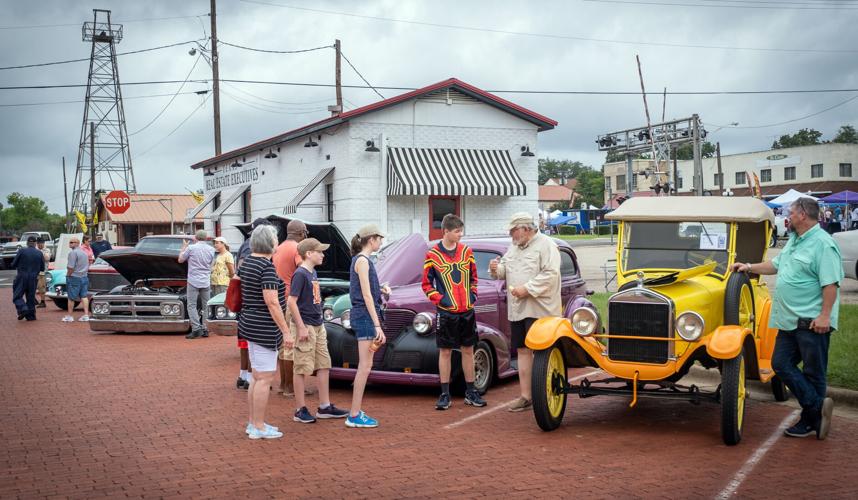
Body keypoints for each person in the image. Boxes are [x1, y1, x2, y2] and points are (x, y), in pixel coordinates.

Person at [732, 197, 842, 440]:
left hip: (812, 322)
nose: (788, 217)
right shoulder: (794, 240)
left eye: (791, 213)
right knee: (780, 364)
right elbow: (775, 265)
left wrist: (824, 316)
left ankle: (809, 418)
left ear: (803, 215)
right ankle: (817, 408)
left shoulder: (823, 244)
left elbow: (831, 284)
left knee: (814, 373)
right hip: (788, 321)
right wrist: (748, 266)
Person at [490, 212, 561, 413]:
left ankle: (545, 395)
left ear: (526, 229)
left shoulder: (546, 244)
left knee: (542, 352)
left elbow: (551, 274)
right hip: (518, 309)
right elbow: (505, 267)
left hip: (540, 309)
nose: (511, 234)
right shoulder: (514, 246)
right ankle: (526, 396)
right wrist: (496, 269)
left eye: (513, 230)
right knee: (521, 350)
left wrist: (527, 288)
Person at [422, 214, 487, 410]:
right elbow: (426, 284)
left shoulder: (466, 252)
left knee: (469, 350)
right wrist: (440, 300)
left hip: (467, 310)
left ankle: (471, 391)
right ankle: (444, 394)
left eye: (461, 230)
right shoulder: (432, 255)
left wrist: (472, 296)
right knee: (445, 351)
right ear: (446, 231)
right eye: (457, 231)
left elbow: (474, 278)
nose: (461, 234)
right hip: (446, 312)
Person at [287, 238, 349, 423]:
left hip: (317, 324)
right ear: (308, 253)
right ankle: (300, 409)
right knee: (301, 366)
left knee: (324, 364)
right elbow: (292, 301)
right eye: (319, 251)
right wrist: (300, 327)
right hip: (305, 325)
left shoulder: (312, 272)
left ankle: (324, 406)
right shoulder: (301, 274)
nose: (322, 255)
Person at [238, 225, 290, 439]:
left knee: (256, 376)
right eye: (276, 238)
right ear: (270, 242)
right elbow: (272, 302)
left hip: (249, 323)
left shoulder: (247, 263)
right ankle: (258, 427)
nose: (277, 241)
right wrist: (286, 331)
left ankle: (254, 423)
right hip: (264, 328)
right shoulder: (266, 267)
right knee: (265, 377)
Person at [346, 224, 388, 428]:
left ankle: (355, 412)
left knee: (365, 365)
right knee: (364, 366)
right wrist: (377, 324)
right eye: (379, 238)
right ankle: (354, 414)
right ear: (371, 239)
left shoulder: (361, 260)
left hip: (363, 315)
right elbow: (366, 295)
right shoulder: (363, 261)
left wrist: (381, 290)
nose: (381, 242)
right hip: (364, 316)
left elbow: (369, 291)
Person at [234, 218, 273, 389]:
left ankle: (244, 376)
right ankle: (249, 377)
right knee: (250, 345)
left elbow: (239, 271)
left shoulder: (245, 245)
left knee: (246, 343)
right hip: (255, 309)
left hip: (245, 307)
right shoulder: (257, 255)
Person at [272, 219, 309, 397]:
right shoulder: (297, 249)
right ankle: (290, 387)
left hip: (278, 298)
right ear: (301, 233)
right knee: (290, 344)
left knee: (282, 344)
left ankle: (283, 384)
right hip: (290, 300)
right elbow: (303, 270)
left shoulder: (278, 247)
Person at [179, 230, 216, 339]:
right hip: (205, 280)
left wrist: (184, 247)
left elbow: (180, 260)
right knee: (206, 305)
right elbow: (211, 264)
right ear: (206, 238)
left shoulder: (191, 248)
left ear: (195, 238)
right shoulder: (211, 250)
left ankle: (196, 329)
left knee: (191, 305)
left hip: (193, 280)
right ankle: (205, 328)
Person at [11, 236, 44, 321]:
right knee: (30, 297)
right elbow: (42, 268)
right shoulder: (39, 253)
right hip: (33, 277)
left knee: (17, 296)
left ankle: (23, 308)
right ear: (35, 243)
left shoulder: (22, 251)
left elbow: (13, 264)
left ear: (27, 243)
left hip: (22, 276)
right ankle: (31, 316)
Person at [63, 236, 91, 322]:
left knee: (71, 297)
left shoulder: (73, 253)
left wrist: (68, 275)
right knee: (84, 296)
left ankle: (70, 316)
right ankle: (86, 315)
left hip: (75, 277)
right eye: (70, 242)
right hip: (84, 276)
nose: (70, 244)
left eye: (72, 242)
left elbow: (70, 267)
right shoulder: (84, 253)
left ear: (77, 243)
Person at [35, 237, 51, 308]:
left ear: (44, 243)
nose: (40, 245)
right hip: (34, 271)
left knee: (41, 287)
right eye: (39, 243)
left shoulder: (46, 250)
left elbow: (47, 258)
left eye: (41, 243)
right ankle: (33, 300)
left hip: (42, 271)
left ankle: (42, 301)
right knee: (32, 287)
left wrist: (39, 253)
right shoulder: (34, 249)